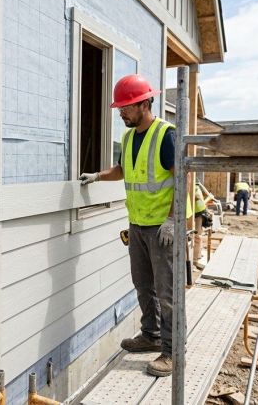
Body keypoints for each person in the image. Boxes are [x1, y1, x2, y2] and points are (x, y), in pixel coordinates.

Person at [79, 74, 190, 378]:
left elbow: (183, 177)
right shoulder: (129, 138)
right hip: (138, 226)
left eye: (126, 108)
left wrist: (172, 220)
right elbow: (122, 170)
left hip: (162, 228)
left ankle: (172, 353)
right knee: (143, 285)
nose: (121, 113)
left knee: (167, 293)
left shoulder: (165, 134)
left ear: (144, 103)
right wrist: (98, 176)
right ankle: (151, 335)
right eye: (120, 109)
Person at [193, 182, 214, 269]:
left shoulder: (195, 188)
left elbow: (200, 200)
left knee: (197, 235)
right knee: (197, 235)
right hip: (195, 211)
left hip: (198, 212)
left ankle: (195, 259)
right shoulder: (196, 187)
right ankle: (197, 255)